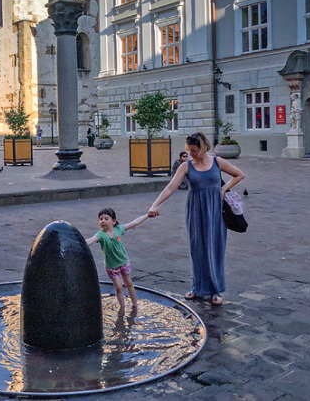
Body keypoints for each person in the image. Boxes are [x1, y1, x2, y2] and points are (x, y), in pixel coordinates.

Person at [148, 132, 244, 306]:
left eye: (193, 150)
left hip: (215, 211)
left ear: (203, 147)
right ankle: (197, 287)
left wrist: (223, 190)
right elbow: (171, 188)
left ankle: (215, 290)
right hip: (195, 210)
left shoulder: (216, 161)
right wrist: (155, 204)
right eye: (189, 150)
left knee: (215, 248)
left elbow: (239, 175)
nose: (190, 154)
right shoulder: (186, 166)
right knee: (197, 249)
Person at [86, 207, 152, 310]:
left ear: (113, 221)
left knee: (129, 283)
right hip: (112, 266)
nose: (103, 221)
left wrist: (147, 215)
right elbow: (91, 240)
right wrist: (78, 242)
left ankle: (135, 305)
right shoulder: (101, 235)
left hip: (123, 262)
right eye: (100, 219)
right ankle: (122, 308)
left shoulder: (118, 229)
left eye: (106, 218)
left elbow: (134, 223)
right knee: (118, 287)